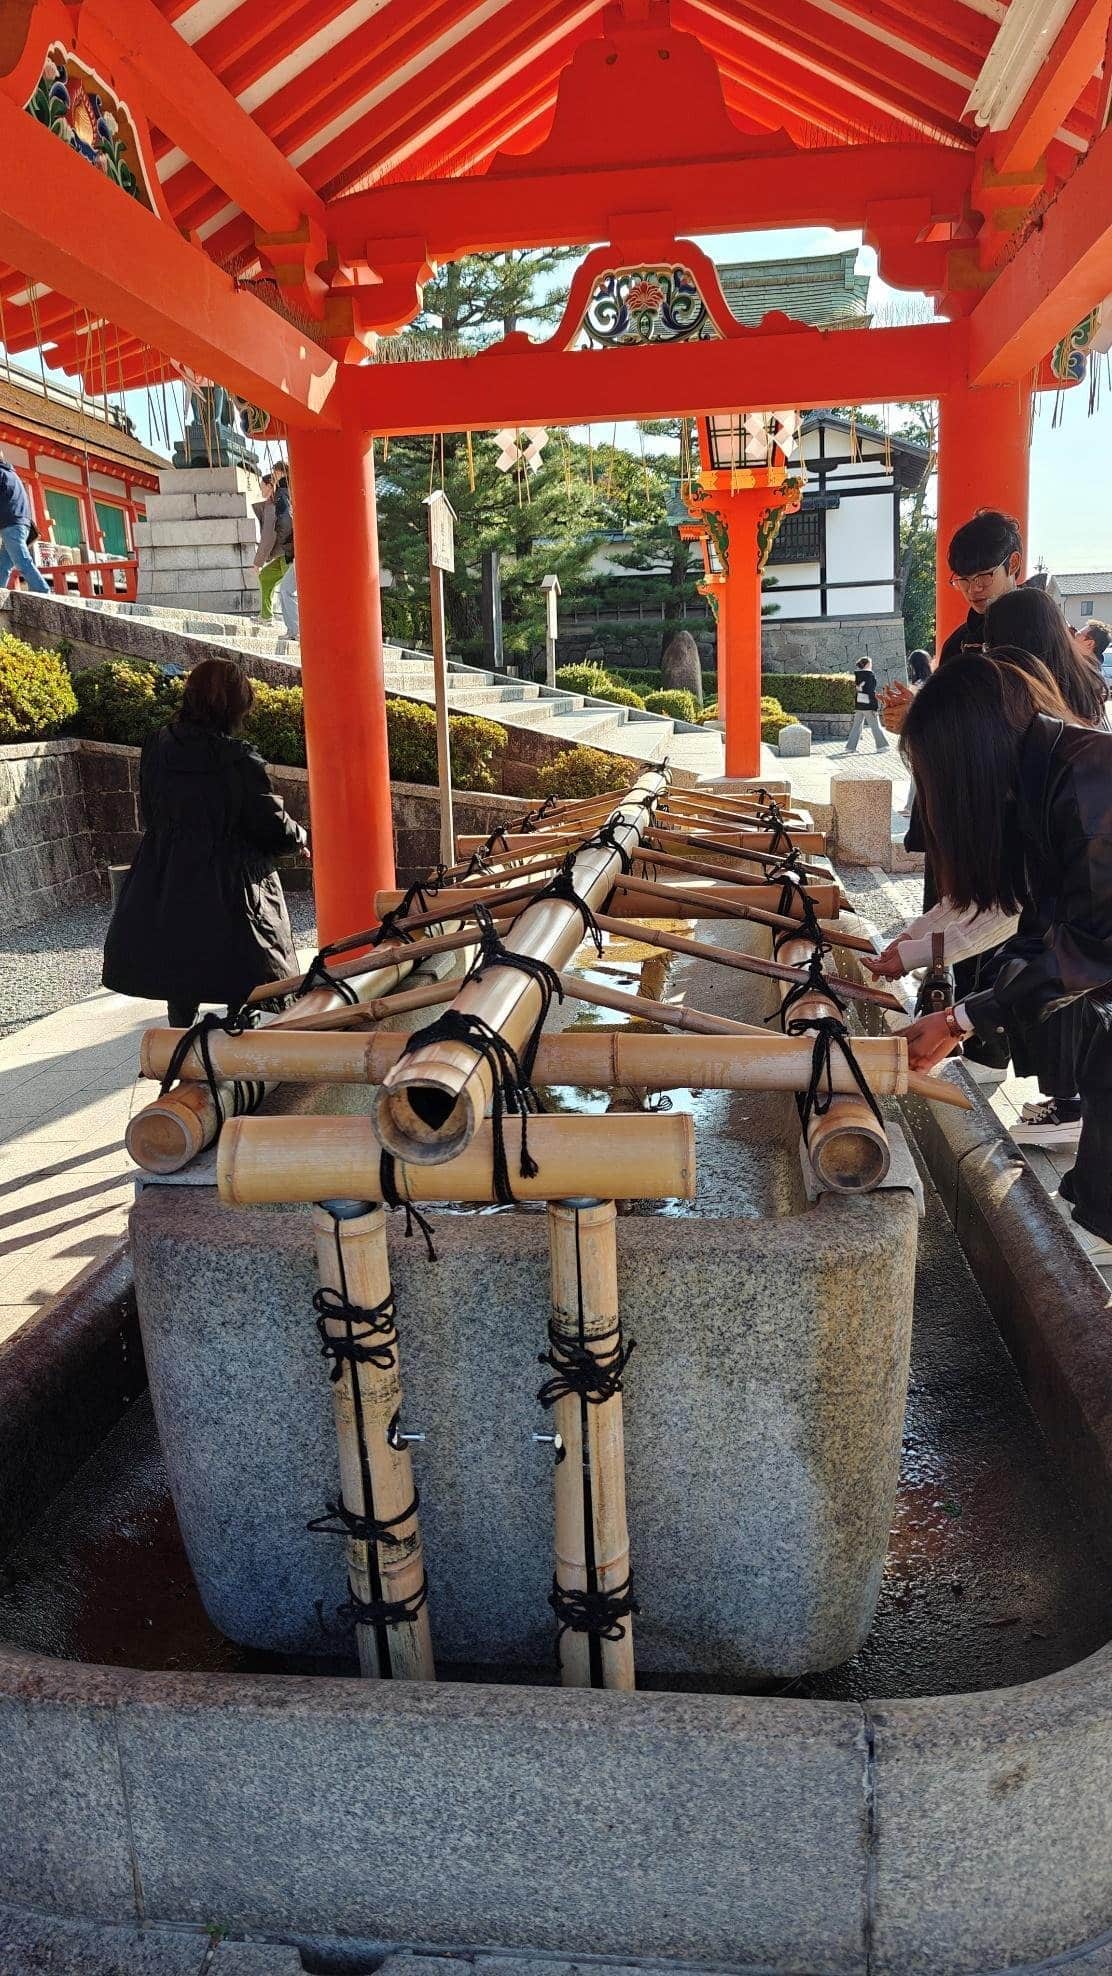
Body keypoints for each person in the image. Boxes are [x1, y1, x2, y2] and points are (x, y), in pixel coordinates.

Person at [897, 654, 1112, 1247]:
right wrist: (962, 1016)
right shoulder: (1051, 775)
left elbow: (1089, 946)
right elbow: (1041, 930)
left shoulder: (1090, 778)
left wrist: (961, 1017)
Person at [102, 657, 309, 1029]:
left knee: (179, 971)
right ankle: (237, 1057)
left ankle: (180, 1049)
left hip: (167, 874)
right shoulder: (239, 761)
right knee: (244, 977)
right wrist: (300, 836)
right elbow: (270, 826)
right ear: (237, 704)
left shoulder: (157, 747)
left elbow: (152, 808)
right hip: (231, 885)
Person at [0, 453, 49, 593]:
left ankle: (42, 590)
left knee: (21, 560)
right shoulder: (12, 474)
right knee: (3, 564)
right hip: (22, 523)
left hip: (11, 524)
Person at [252, 470, 286, 622]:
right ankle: (266, 616)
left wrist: (258, 562)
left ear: (270, 486)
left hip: (289, 553)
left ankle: (296, 629)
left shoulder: (273, 506)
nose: (261, 491)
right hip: (284, 554)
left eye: (262, 487)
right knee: (266, 577)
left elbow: (267, 536)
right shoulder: (276, 503)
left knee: (289, 589)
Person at [272, 465, 298, 640]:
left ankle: (295, 629)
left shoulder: (282, 493)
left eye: (275, 472)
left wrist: (283, 542)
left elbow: (285, 522)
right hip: (301, 548)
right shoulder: (293, 491)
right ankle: (295, 629)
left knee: (287, 589)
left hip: (298, 548)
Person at [845, 656, 889, 752]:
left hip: (859, 703)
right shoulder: (870, 675)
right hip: (868, 705)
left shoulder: (856, 675)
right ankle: (882, 746)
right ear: (868, 664)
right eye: (871, 663)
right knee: (875, 726)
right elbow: (870, 692)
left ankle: (850, 747)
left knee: (856, 726)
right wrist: (875, 707)